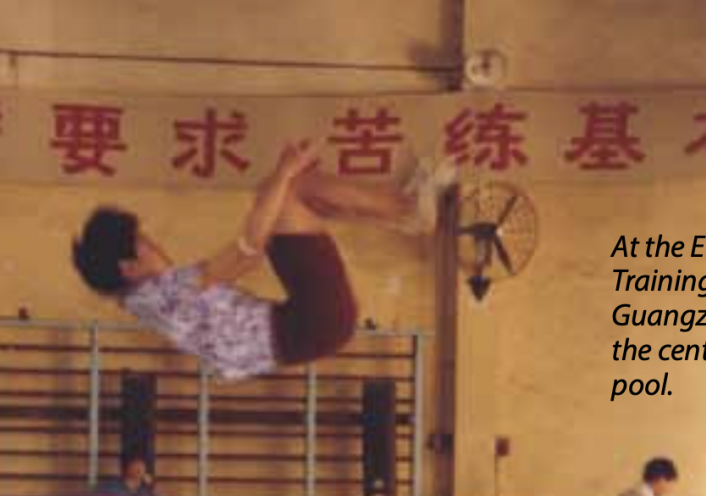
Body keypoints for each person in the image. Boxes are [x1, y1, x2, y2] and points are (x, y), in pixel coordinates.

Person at [70, 139, 454, 380]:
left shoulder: (144, 299)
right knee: (287, 190)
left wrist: (278, 185)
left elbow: (246, 255)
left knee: (287, 198)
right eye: (144, 242)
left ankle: (402, 215)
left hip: (299, 331)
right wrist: (283, 173)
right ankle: (408, 209)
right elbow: (246, 251)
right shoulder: (167, 291)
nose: (155, 245)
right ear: (128, 266)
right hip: (309, 324)